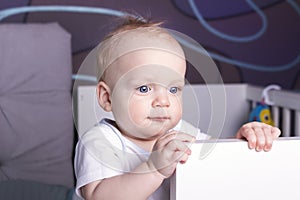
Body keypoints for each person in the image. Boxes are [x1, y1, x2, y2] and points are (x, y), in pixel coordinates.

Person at [74, 16, 281, 200]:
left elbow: (219, 162)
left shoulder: (182, 133)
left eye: (173, 89)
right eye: (144, 88)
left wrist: (243, 142)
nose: (163, 101)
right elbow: (100, 197)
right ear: (107, 97)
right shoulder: (100, 141)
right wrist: (153, 169)